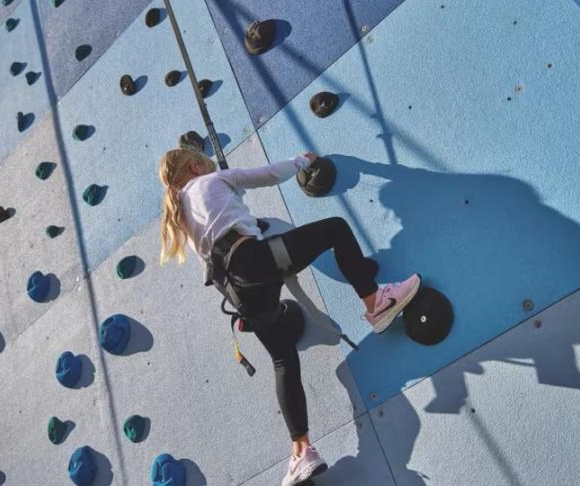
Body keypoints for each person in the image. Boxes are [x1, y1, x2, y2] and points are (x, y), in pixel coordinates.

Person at [158, 146, 421, 486]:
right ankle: (375, 303)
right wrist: (302, 161)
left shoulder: (185, 218)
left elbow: (225, 231)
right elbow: (268, 175)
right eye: (204, 164)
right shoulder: (212, 179)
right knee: (336, 229)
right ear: (196, 166)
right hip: (256, 260)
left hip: (238, 293)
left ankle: (301, 452)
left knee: (283, 358)